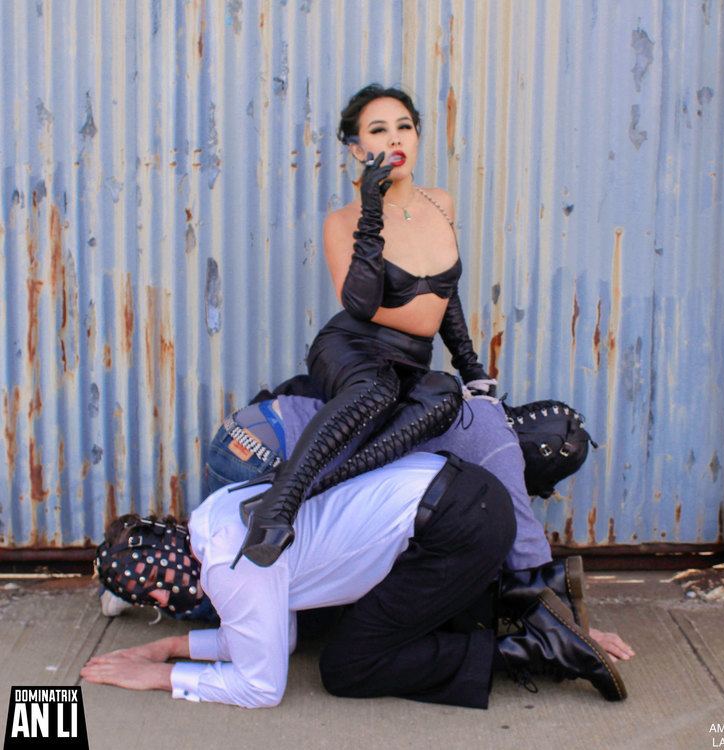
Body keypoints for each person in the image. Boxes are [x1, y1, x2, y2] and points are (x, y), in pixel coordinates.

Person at [83, 452, 627, 708]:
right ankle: (538, 594)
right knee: (386, 615)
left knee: (348, 666)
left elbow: (261, 686)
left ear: (168, 543)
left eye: (152, 576)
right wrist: (167, 647)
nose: (158, 595)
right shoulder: (213, 516)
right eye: (144, 597)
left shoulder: (230, 567)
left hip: (456, 529)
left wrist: (159, 676)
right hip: (463, 497)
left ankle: (541, 649)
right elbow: (274, 635)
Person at [237, 85, 496, 568]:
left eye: (404, 126)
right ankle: (279, 508)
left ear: (417, 137)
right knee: (376, 391)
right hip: (353, 348)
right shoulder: (343, 221)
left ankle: (301, 494)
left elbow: (447, 292)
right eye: (378, 131)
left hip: (410, 362)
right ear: (359, 150)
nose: (394, 138)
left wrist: (471, 367)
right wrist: (371, 210)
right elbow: (359, 301)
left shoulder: (440, 203)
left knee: (444, 397)